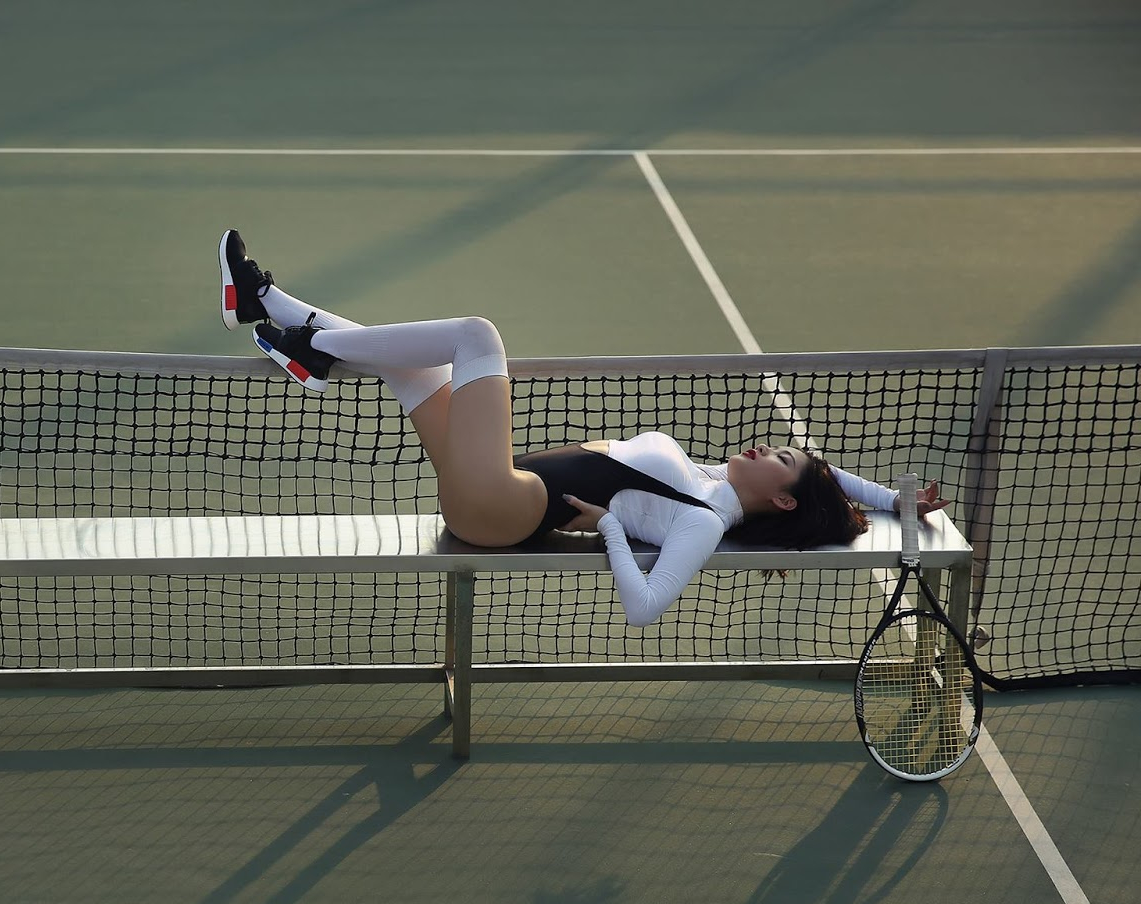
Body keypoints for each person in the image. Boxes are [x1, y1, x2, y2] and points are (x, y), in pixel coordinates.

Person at [218, 230, 950, 625]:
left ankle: (311, 348)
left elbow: (645, 609)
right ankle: (268, 303)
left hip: (499, 506)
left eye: (781, 457)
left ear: (781, 500)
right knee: (415, 371)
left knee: (477, 336)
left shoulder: (703, 520)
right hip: (490, 492)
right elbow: (825, 476)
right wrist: (890, 499)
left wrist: (605, 527)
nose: (770, 445)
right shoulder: (711, 479)